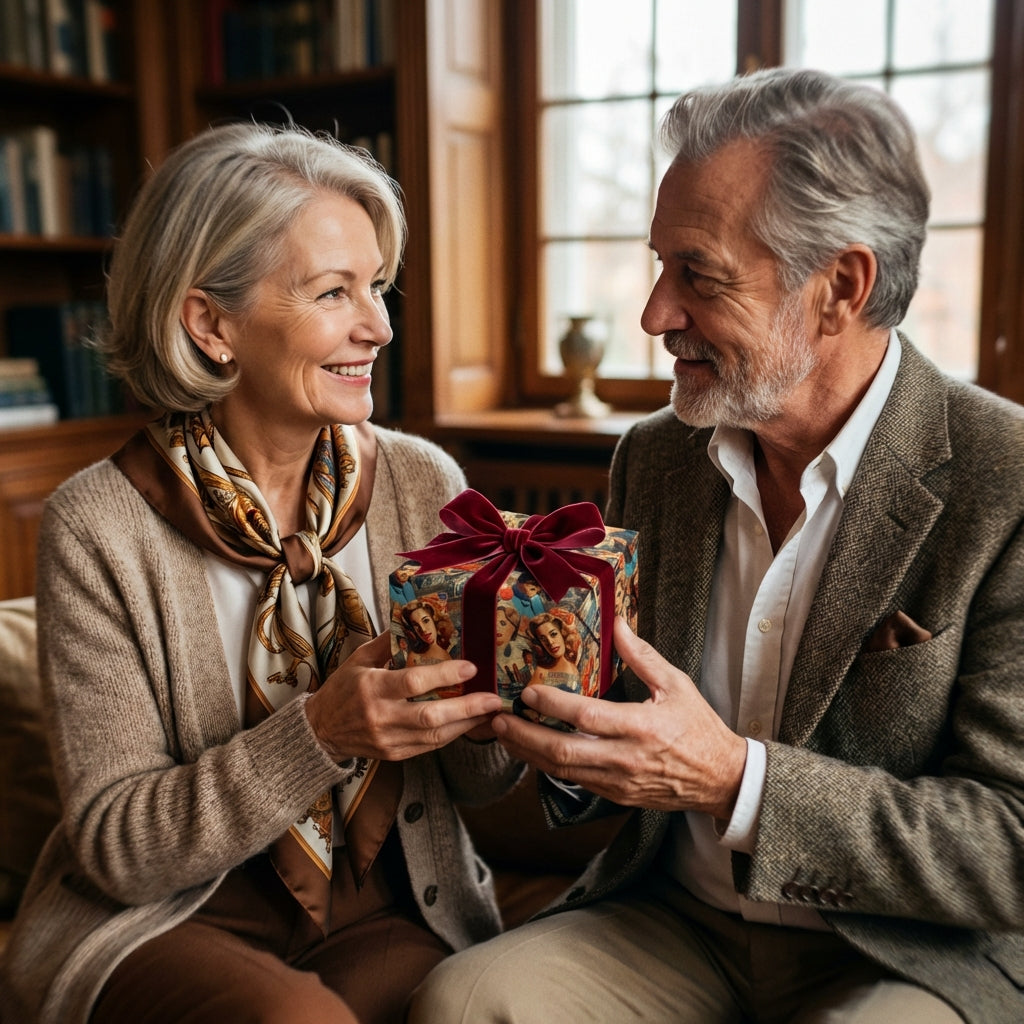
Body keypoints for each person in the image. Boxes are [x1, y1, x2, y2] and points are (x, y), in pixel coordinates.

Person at [409, 67, 1024, 1024]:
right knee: (465, 1002)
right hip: (676, 920)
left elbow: (1010, 844)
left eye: (697, 273)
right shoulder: (656, 457)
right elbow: (621, 737)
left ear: (841, 287)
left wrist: (737, 783)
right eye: (659, 267)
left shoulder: (1007, 477)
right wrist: (543, 717)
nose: (654, 314)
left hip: (904, 952)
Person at [0, 122, 520, 1024]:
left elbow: (480, 787)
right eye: (333, 293)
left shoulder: (421, 482)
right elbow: (119, 849)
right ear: (211, 323)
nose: (380, 326)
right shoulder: (98, 525)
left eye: (378, 287)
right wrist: (321, 730)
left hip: (390, 902)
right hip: (169, 917)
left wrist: (494, 714)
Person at [400, 598, 455, 666]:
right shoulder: (414, 657)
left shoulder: (453, 646)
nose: (423, 629)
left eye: (426, 621)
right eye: (416, 625)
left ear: (434, 620)